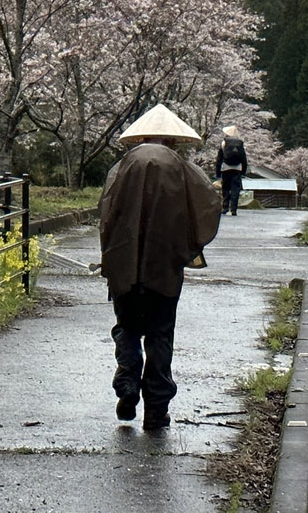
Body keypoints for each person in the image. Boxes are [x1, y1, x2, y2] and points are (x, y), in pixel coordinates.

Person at [99, 103, 221, 431]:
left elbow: (106, 214)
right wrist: (186, 248)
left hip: (124, 263)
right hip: (164, 265)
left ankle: (127, 386)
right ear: (171, 139)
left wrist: (110, 258)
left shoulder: (122, 166)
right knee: (160, 334)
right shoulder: (181, 168)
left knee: (126, 327)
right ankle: (156, 409)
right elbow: (207, 204)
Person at [215, 125, 247, 215]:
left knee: (225, 188)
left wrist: (217, 172)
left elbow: (219, 158)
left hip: (225, 168)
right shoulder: (240, 143)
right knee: (235, 189)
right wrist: (243, 171)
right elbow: (243, 158)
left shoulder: (224, 143)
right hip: (237, 169)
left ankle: (225, 207)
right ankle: (234, 209)